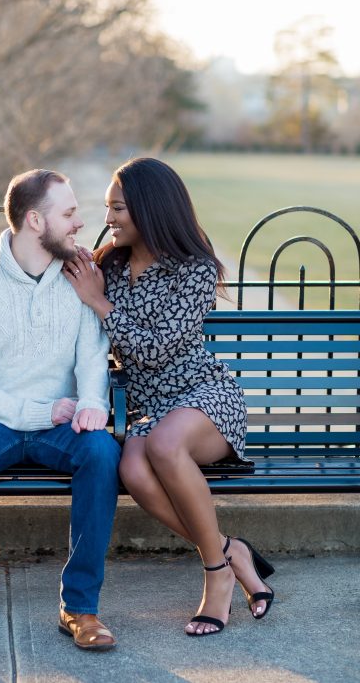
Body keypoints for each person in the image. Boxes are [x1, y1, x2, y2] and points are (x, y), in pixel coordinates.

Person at [64, 157, 274, 637]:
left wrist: (98, 303)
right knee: (133, 469)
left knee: (161, 446)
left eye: (117, 208)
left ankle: (217, 578)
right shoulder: (108, 267)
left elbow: (156, 351)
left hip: (204, 397)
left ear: (149, 208)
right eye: (106, 208)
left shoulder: (194, 271)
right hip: (148, 408)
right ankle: (230, 549)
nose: (108, 219)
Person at [0, 169, 120, 651]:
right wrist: (36, 411)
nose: (80, 223)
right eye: (69, 213)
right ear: (35, 220)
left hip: (65, 423)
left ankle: (80, 606)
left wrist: (94, 404)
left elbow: (93, 356)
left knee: (102, 456)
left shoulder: (79, 275)